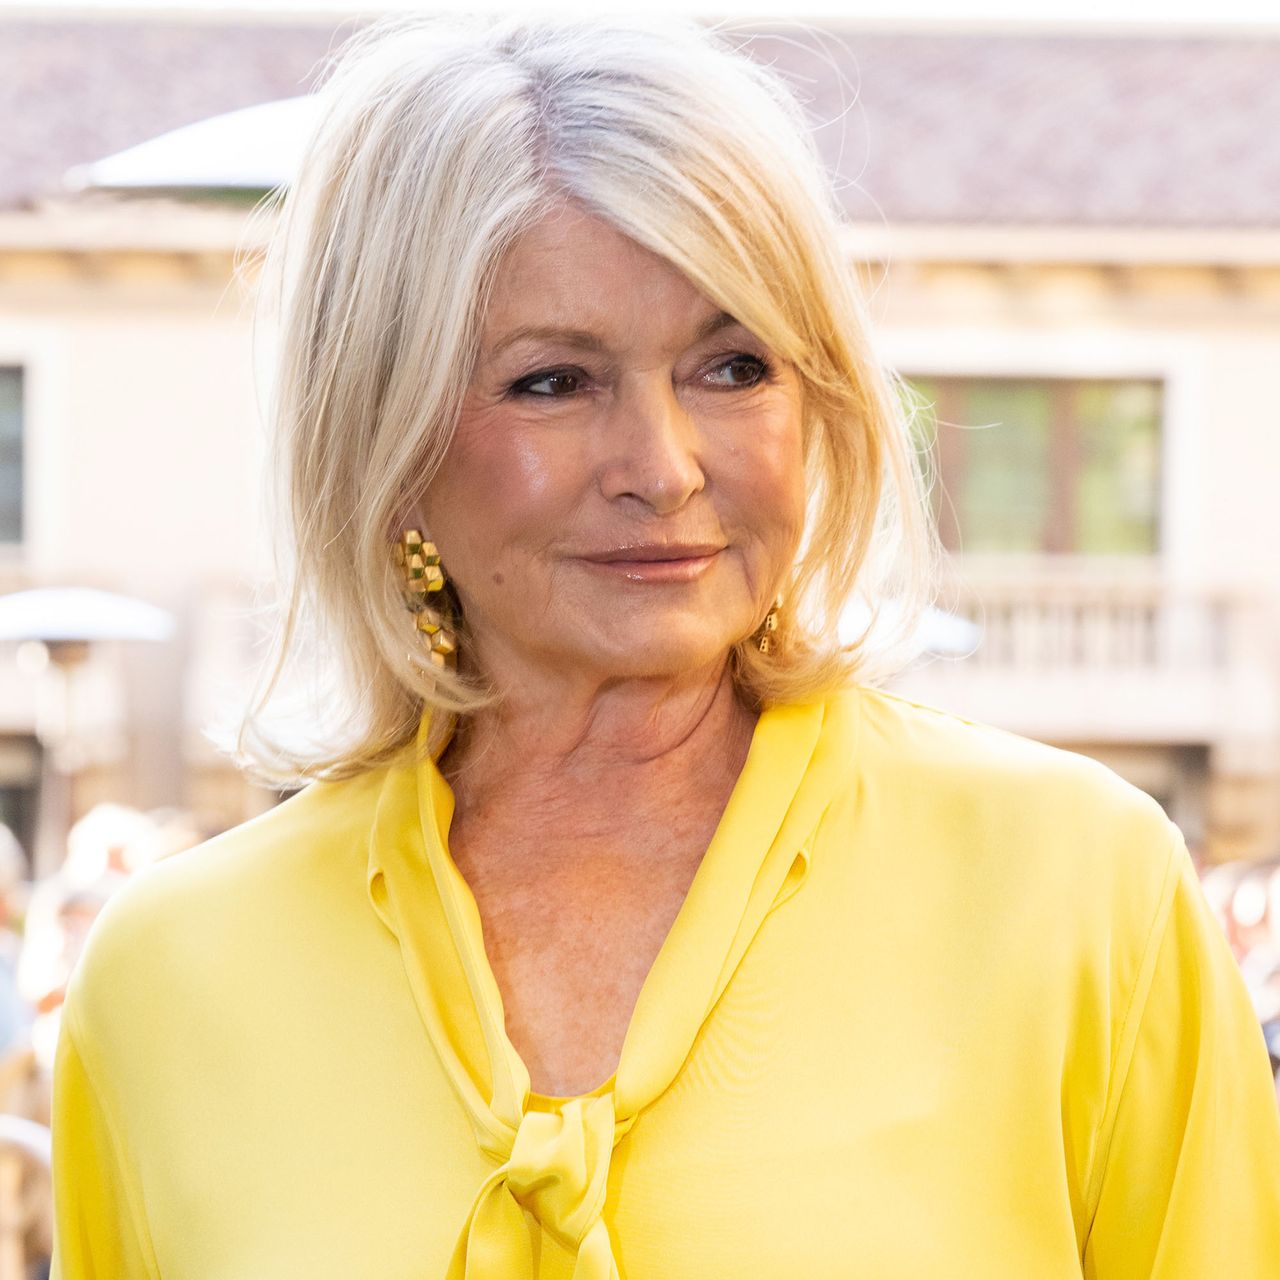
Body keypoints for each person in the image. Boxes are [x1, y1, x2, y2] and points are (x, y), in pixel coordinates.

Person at [49, 13, 1280, 1279]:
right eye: (552, 382)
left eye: (733, 366)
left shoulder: (1076, 886)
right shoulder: (168, 977)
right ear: (383, 432)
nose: (662, 467)